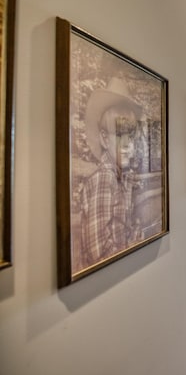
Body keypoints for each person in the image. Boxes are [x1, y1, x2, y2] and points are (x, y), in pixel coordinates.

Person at [77, 77, 142, 268]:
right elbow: (99, 254)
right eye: (120, 135)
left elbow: (122, 229)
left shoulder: (121, 178)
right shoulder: (103, 178)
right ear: (104, 139)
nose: (128, 144)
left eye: (130, 135)